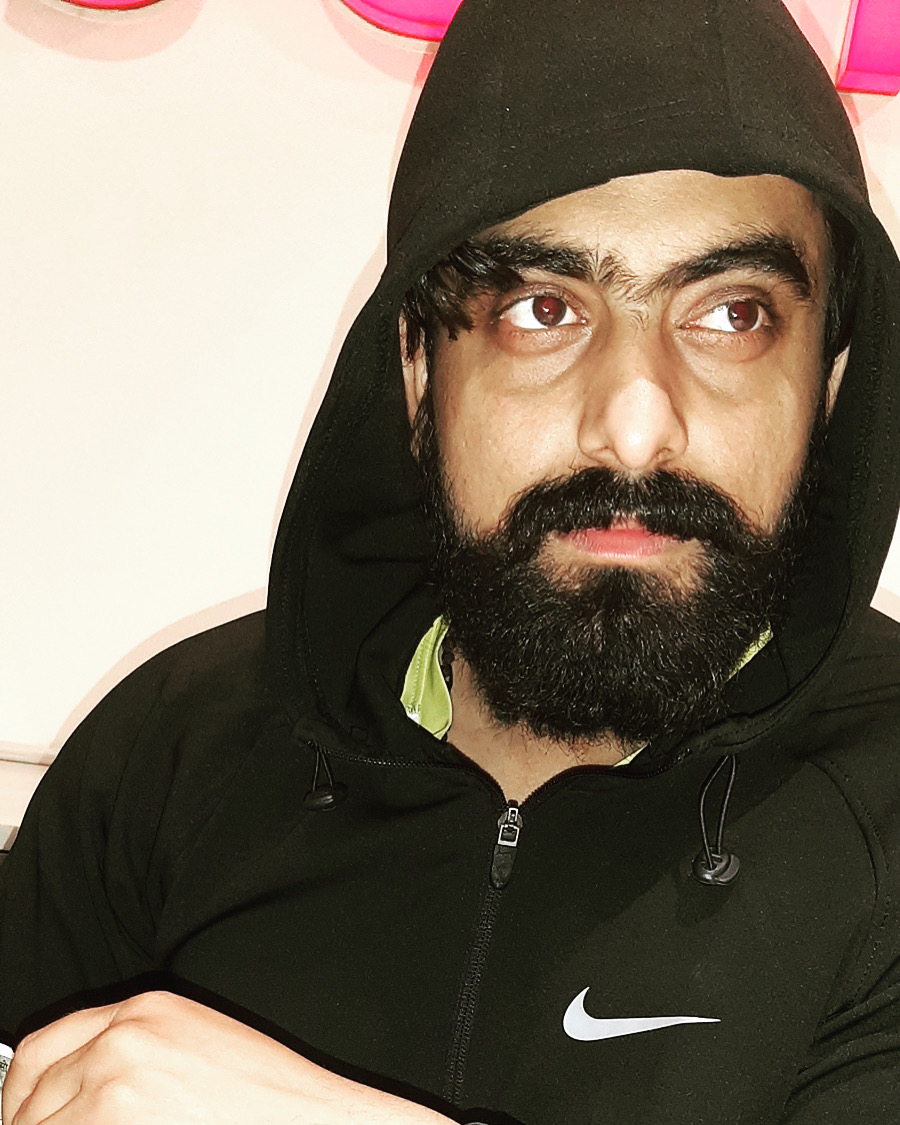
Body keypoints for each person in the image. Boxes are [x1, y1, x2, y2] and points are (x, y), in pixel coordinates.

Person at [2, 0, 900, 1121]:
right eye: (543, 308)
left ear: (827, 382)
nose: (634, 426)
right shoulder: (170, 756)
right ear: (421, 368)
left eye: (732, 316)